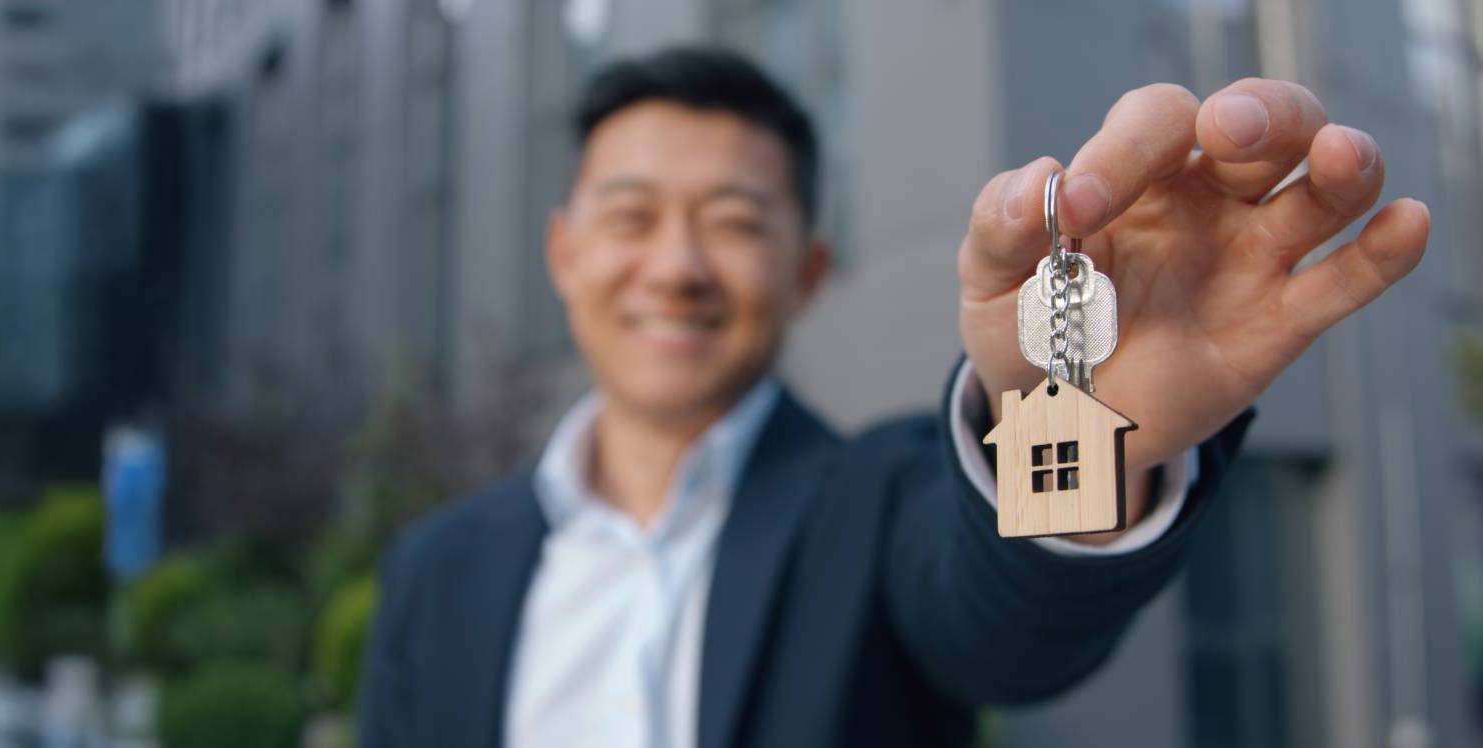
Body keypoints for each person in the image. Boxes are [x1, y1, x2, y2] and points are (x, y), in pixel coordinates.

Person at [358, 47, 1429, 748]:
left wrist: (1084, 417)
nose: (676, 265)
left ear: (809, 269)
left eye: (733, 220)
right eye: (631, 216)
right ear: (562, 252)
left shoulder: (883, 504)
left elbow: (1008, 634)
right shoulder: (440, 568)